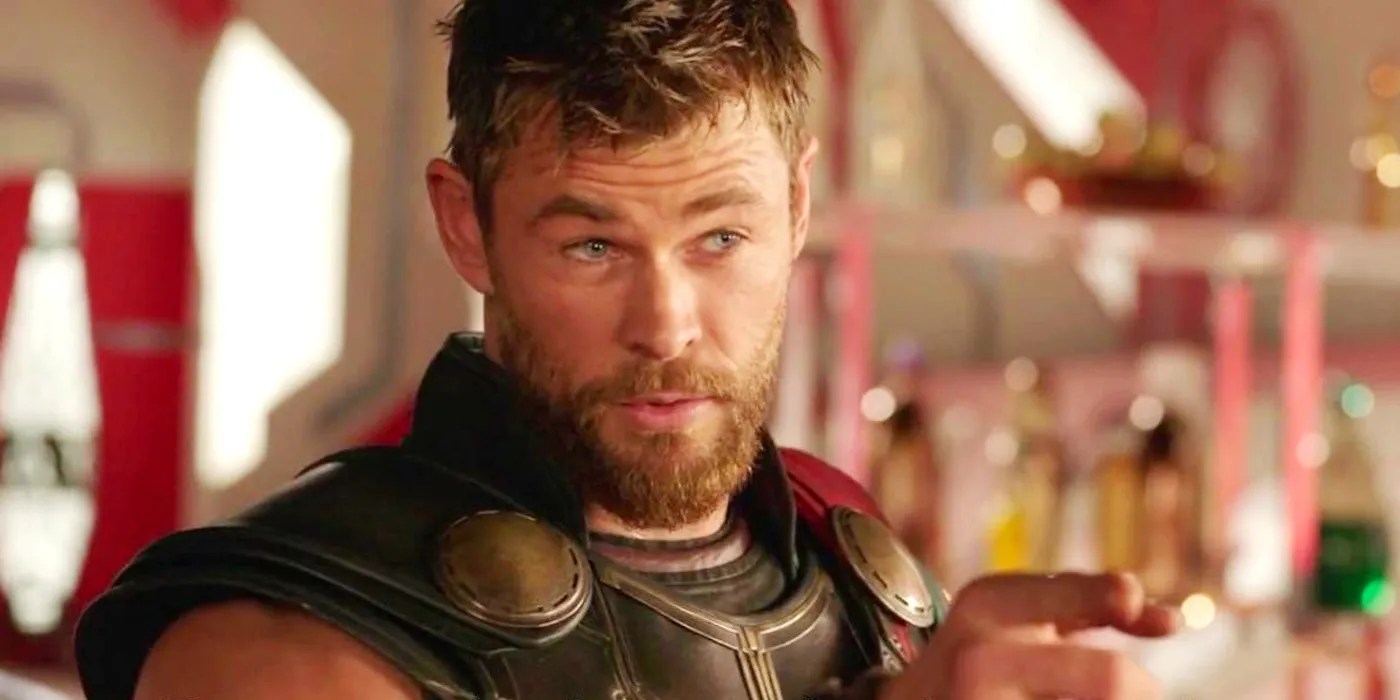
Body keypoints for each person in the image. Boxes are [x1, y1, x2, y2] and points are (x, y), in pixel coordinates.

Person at [74, 2, 1180, 698]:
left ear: (798, 208)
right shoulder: (280, 645)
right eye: (594, 246)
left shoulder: (856, 571)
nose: (667, 325)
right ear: (468, 226)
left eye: (720, 238)